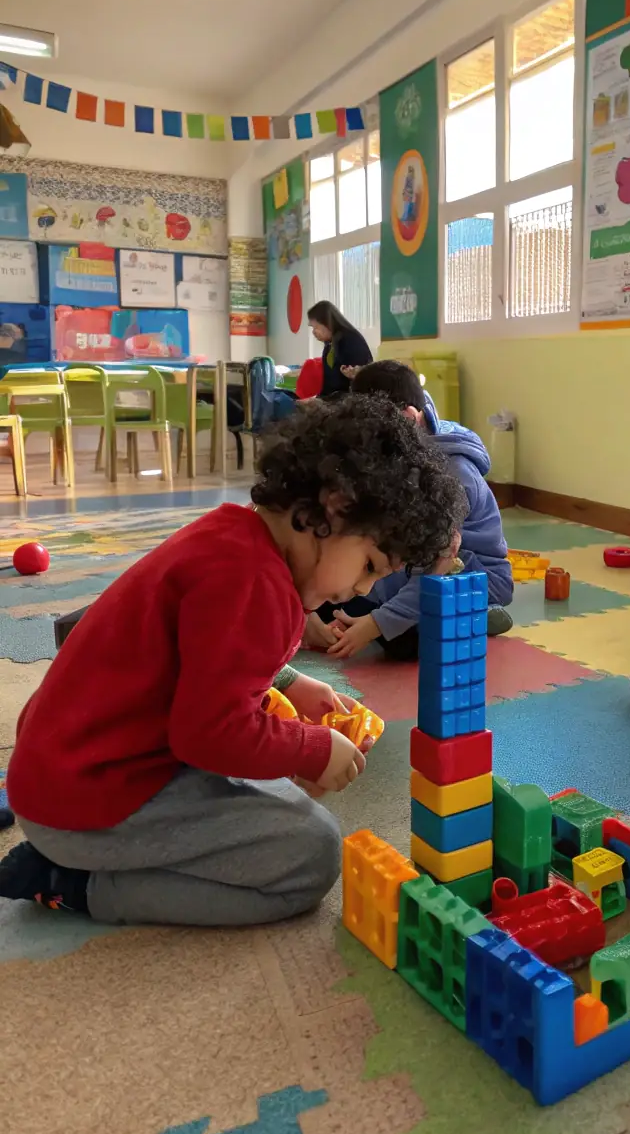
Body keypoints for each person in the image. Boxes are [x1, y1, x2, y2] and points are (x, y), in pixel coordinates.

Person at [0, 395, 465, 926]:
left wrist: (286, 682)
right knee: (312, 853)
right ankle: (75, 884)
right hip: (88, 804)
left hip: (63, 772)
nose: (361, 588)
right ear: (333, 507)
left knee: (270, 781)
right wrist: (311, 749)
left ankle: (73, 861)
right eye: (369, 566)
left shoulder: (232, 534)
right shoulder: (257, 585)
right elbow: (208, 735)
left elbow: (202, 651)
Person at [306, 359, 513, 661]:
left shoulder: (453, 476)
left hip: (469, 571)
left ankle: (478, 615)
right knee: (331, 602)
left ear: (408, 418)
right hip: (413, 567)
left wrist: (375, 625)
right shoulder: (401, 443)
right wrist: (307, 611)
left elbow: (436, 562)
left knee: (402, 641)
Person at [307, 300, 373, 399]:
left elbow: (357, 386)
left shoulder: (350, 341)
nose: (314, 332)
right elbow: (329, 384)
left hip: (352, 402)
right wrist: (318, 401)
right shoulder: (330, 344)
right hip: (337, 401)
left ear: (327, 323)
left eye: (316, 327)